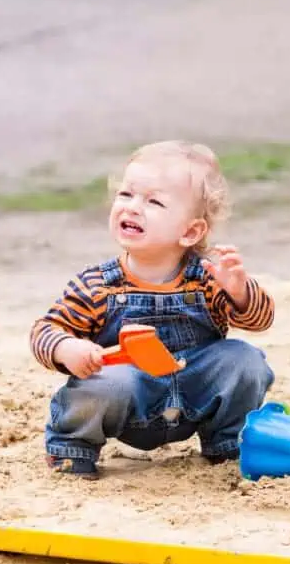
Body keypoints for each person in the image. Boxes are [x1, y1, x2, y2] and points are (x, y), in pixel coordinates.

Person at [30, 140, 276, 479]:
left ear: (190, 231)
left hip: (194, 395)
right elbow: (45, 329)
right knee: (106, 382)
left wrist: (239, 292)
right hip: (130, 400)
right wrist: (65, 347)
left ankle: (227, 441)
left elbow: (260, 320)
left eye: (154, 201)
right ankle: (73, 446)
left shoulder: (206, 278)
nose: (132, 207)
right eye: (126, 194)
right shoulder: (98, 284)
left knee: (244, 360)